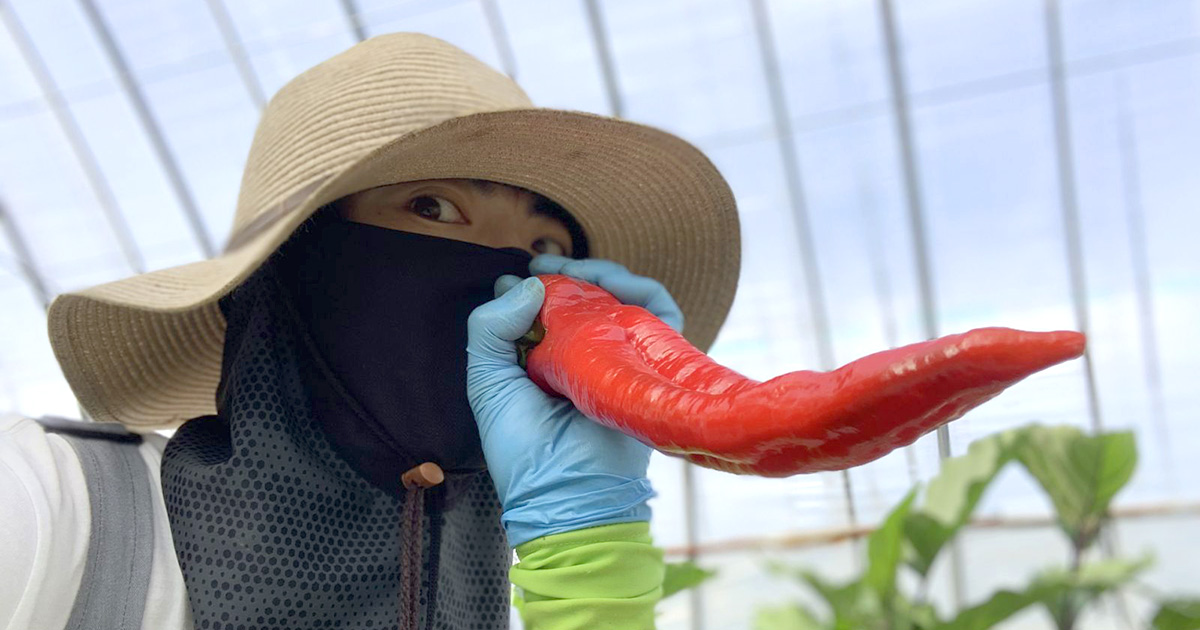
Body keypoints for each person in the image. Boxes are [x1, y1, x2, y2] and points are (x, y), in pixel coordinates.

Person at [1, 33, 740, 630]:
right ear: (293, 268)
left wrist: (589, 554)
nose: (516, 280)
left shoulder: (513, 592)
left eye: (548, 250)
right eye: (433, 208)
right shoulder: (54, 513)